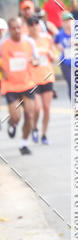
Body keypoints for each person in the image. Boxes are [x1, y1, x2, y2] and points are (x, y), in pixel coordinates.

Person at [0, 17, 38, 155]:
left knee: (29, 114)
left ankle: (24, 144)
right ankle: (12, 123)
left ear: (22, 28)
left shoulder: (29, 42)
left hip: (27, 83)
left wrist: (34, 61)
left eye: (18, 27)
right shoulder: (3, 44)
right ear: (9, 30)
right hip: (11, 86)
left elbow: (36, 58)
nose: (16, 30)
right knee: (16, 117)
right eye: (13, 28)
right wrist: (2, 71)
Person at [26, 16, 55, 144]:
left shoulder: (47, 38)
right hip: (33, 79)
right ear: (28, 27)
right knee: (37, 108)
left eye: (36, 24)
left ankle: (44, 134)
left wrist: (50, 54)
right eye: (32, 25)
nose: (34, 27)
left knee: (47, 108)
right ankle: (34, 128)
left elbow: (54, 56)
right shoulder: (26, 42)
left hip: (47, 76)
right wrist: (32, 60)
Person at [54, 12, 74, 98]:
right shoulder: (60, 34)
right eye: (66, 21)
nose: (68, 23)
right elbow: (55, 43)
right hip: (65, 62)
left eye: (70, 21)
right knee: (71, 83)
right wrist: (59, 47)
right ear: (63, 23)